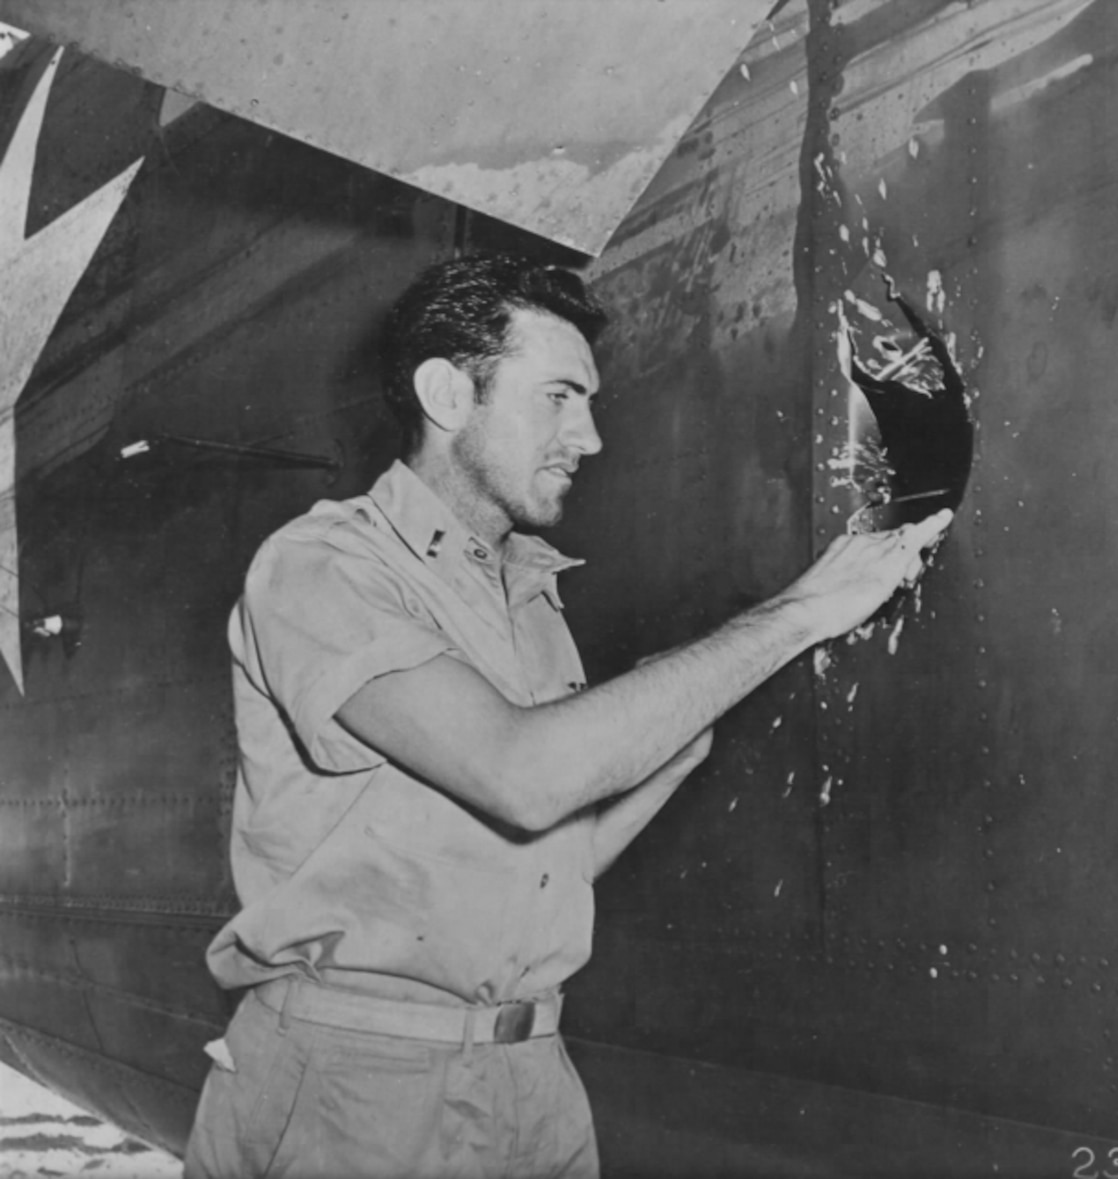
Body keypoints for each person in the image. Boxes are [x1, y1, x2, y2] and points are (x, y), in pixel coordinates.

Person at [183, 252, 951, 1179]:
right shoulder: (321, 565)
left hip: (532, 1077)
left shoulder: (526, 588)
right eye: (557, 396)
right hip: (359, 1092)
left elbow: (547, 864)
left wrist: (672, 741)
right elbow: (524, 774)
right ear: (446, 394)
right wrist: (798, 616)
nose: (588, 437)